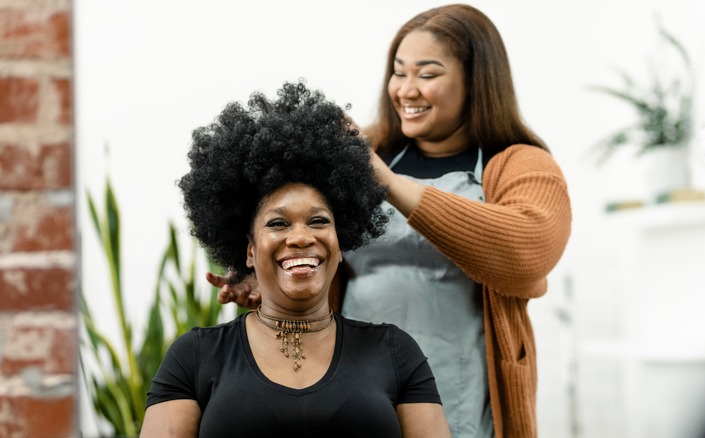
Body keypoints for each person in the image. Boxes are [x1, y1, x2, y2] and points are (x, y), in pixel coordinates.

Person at [210, 5, 572, 437]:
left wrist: (383, 177)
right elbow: (304, 235)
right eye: (399, 72)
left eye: (428, 73)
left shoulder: (517, 165)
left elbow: (526, 254)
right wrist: (270, 278)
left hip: (460, 391)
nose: (406, 89)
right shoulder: (371, 147)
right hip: (353, 386)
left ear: (477, 80)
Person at [140, 81, 451, 437]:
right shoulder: (194, 357)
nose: (302, 237)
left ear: (340, 241)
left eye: (319, 221)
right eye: (278, 223)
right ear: (250, 250)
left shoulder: (394, 352)